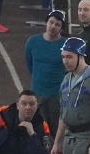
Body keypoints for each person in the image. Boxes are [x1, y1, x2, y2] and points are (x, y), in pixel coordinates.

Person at [25, 9, 67, 139]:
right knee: (39, 129)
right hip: (38, 93)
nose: (53, 26)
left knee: (57, 130)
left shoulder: (65, 45)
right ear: (46, 22)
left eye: (57, 24)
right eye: (51, 22)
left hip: (57, 95)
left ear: (61, 28)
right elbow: (29, 63)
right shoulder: (33, 42)